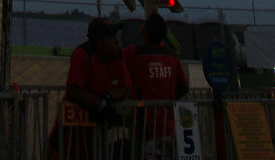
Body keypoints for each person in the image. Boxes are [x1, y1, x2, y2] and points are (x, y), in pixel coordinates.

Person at [49, 17, 132, 160]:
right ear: (99, 43)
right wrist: (100, 105)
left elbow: (125, 88)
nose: (116, 42)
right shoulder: (82, 54)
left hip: (93, 131)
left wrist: (108, 97)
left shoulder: (117, 58)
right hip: (71, 126)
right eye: (111, 37)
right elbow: (73, 91)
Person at [123, 12, 188, 160]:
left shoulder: (135, 54)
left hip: (147, 128)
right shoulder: (172, 57)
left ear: (144, 32)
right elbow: (183, 86)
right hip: (170, 127)